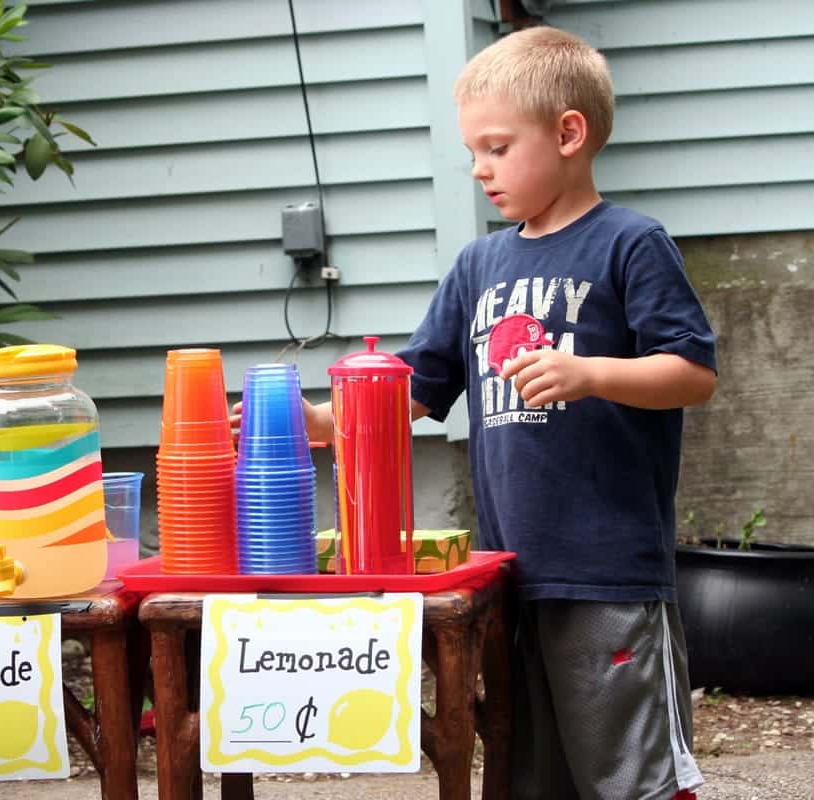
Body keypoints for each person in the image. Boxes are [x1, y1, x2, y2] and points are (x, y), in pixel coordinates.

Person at [300, 26, 716, 800]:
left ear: (568, 133)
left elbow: (692, 372)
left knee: (630, 778)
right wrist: (326, 421)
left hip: (609, 576)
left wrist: (592, 372)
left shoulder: (631, 244)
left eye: (496, 147)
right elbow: (416, 386)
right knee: (531, 775)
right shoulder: (479, 265)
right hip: (510, 571)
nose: (479, 170)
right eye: (473, 153)